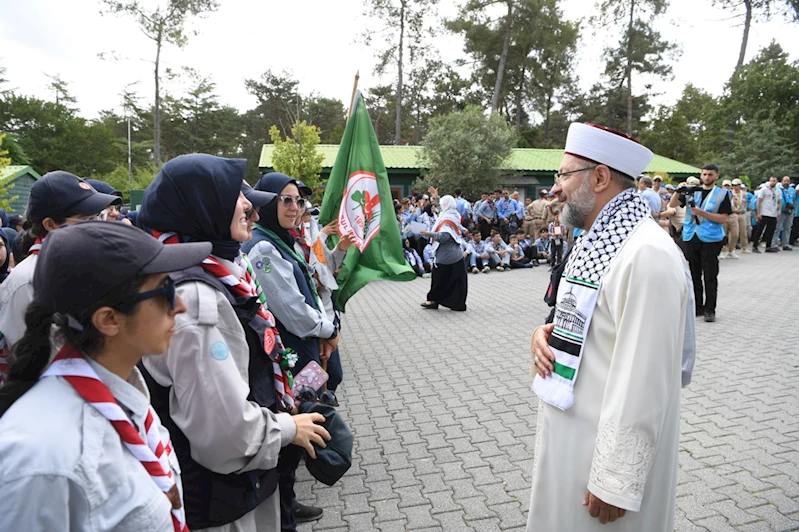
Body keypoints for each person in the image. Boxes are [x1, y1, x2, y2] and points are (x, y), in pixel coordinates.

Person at [136, 155, 331, 532]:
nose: (254, 213)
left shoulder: (216, 273)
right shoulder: (197, 298)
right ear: (202, 207)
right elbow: (224, 433)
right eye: (239, 199)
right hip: (223, 497)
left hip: (238, 485)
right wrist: (290, 429)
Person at [0, 221, 213, 530]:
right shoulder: (44, 458)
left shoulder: (123, 394)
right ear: (109, 320)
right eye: (164, 291)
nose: (179, 305)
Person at [528, 122, 687, 532]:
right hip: (571, 439)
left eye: (563, 175)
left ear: (599, 177)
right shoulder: (593, 241)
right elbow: (585, 323)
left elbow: (645, 378)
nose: (555, 189)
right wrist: (544, 337)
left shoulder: (647, 254)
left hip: (602, 472)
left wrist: (615, 481)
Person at [0, 171, 121, 388]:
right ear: (51, 224)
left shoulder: (88, 264)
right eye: (87, 219)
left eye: (97, 217)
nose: (97, 226)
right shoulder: (28, 280)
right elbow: (38, 363)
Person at [668, 164, 731, 322]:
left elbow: (724, 218)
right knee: (693, 274)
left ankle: (710, 309)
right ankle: (698, 306)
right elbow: (672, 205)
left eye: (710, 174)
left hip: (711, 238)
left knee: (710, 275)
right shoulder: (692, 191)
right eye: (704, 174)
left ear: (716, 176)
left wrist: (701, 212)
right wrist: (678, 190)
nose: (707, 177)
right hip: (691, 236)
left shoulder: (723, 194)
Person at [420, 195, 467, 311]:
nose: (439, 206)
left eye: (441, 204)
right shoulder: (453, 214)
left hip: (447, 256)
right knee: (455, 281)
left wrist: (429, 234)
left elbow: (444, 236)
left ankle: (434, 300)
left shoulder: (447, 218)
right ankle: (455, 303)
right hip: (454, 255)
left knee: (438, 279)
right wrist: (435, 197)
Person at [750, 176, 780, 253]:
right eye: (771, 181)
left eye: (774, 181)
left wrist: (779, 210)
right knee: (759, 230)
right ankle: (755, 246)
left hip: (773, 213)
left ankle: (768, 246)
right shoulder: (764, 189)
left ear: (776, 182)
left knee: (770, 231)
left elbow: (779, 201)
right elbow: (759, 201)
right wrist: (759, 213)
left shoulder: (777, 191)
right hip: (764, 213)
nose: (772, 182)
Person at [723, 178, 750, 258]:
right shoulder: (729, 194)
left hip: (741, 213)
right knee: (729, 233)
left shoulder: (744, 194)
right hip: (730, 214)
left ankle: (743, 247)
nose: (735, 187)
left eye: (737, 185)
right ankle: (728, 249)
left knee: (742, 232)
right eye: (734, 185)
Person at [771, 176, 795, 250]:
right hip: (780, 211)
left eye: (788, 181)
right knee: (777, 228)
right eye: (785, 181)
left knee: (788, 228)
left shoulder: (791, 189)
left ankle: (785, 244)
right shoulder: (778, 189)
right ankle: (774, 244)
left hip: (789, 211)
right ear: (781, 181)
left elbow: (793, 199)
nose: (786, 182)